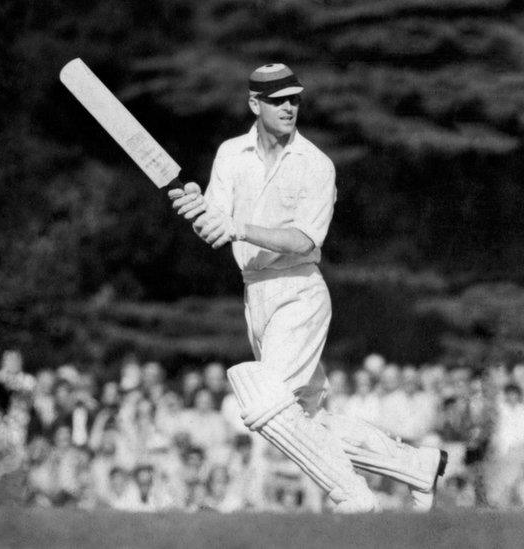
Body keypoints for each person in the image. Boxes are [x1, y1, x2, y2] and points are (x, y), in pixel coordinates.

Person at [168, 63, 446, 512]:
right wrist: (198, 210)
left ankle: (352, 494)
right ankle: (416, 466)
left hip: (298, 290)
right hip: (255, 293)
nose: (289, 107)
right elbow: (217, 228)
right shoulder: (230, 154)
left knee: (264, 404)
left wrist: (235, 226)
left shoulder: (316, 164)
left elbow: (303, 240)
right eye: (278, 100)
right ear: (254, 104)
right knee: (303, 420)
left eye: (294, 98)